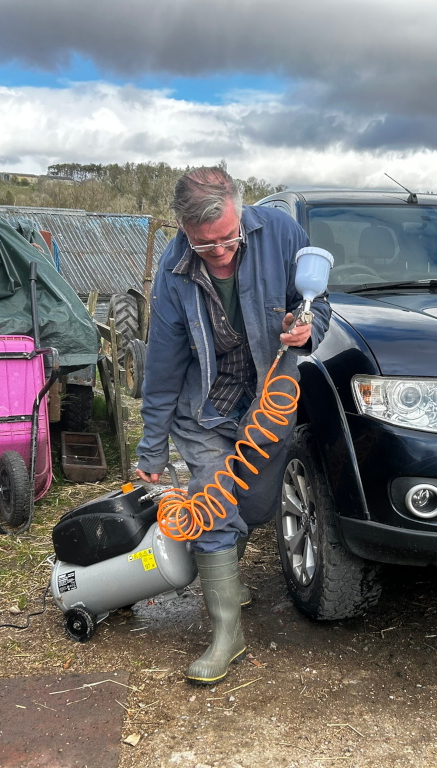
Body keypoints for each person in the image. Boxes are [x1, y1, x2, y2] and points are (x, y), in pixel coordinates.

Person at [135, 167, 331, 684]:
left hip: (268, 400)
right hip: (203, 408)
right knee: (215, 503)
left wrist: (306, 326)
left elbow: (319, 304)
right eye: (205, 245)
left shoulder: (283, 233)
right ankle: (228, 633)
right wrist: (152, 446)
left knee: (255, 504)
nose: (219, 252)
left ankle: (228, 572)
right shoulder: (173, 269)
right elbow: (163, 362)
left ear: (240, 212)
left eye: (227, 238)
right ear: (182, 228)